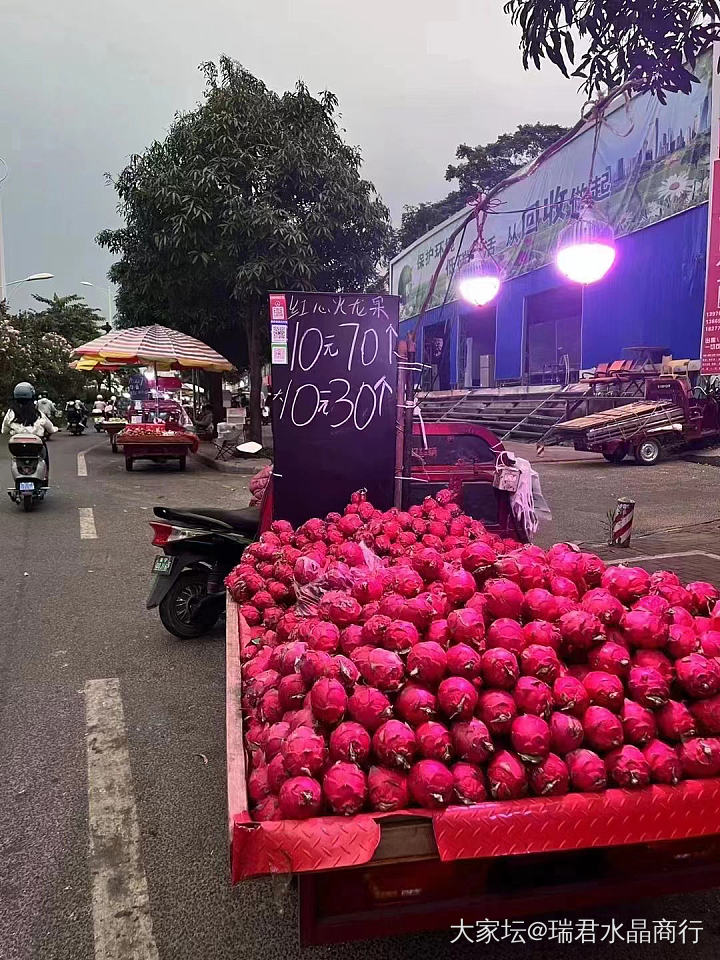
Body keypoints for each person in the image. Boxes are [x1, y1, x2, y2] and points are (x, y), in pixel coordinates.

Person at [2, 382, 56, 480]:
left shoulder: (10, 412)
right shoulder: (37, 412)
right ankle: (45, 476)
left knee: (15, 458)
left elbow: (4, 430)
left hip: (17, 446)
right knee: (44, 454)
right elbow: (50, 428)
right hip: (35, 445)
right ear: (31, 394)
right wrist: (53, 430)